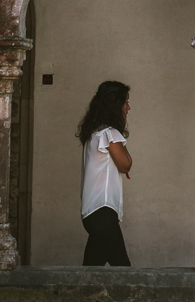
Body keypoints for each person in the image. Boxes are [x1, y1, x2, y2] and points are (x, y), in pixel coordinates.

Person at [77, 81, 132, 266]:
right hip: (103, 212)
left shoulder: (94, 133)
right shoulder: (109, 134)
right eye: (125, 102)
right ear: (115, 105)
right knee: (90, 273)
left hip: (93, 212)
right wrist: (122, 136)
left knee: (122, 267)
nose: (128, 107)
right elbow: (125, 165)